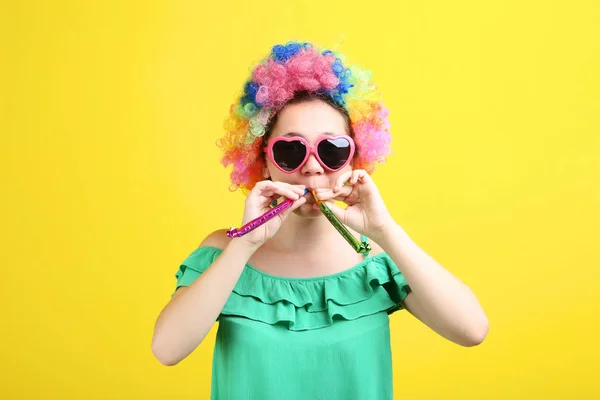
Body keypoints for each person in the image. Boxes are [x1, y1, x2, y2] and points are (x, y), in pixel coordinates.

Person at [152, 41, 489, 399]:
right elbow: (167, 350)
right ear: (263, 159)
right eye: (291, 150)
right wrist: (246, 242)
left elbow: (471, 330)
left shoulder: (374, 259)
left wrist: (385, 231)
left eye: (332, 150)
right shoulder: (225, 250)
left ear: (355, 159)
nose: (312, 166)